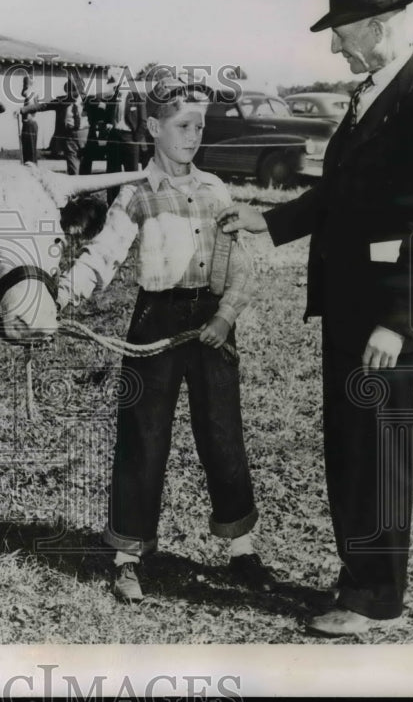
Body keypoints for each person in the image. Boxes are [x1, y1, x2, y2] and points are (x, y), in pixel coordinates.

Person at [217, 0, 413, 636]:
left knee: (377, 455)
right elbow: (334, 198)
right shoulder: (374, 95)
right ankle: (363, 575)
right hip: (352, 313)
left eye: (342, 32)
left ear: (379, 25)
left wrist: (397, 320)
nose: (334, 48)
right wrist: (265, 223)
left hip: (383, 321)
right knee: (353, 450)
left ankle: (376, 599)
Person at [58, 79, 275, 603]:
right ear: (154, 128)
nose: (193, 134)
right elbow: (103, 255)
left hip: (212, 324)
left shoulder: (216, 190)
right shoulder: (136, 194)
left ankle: (241, 548)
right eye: (182, 125)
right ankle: (128, 555)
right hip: (155, 321)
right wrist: (62, 294)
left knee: (222, 433)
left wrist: (224, 318)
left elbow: (240, 266)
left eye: (199, 125)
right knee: (143, 435)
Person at [21, 75, 90, 175]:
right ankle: (74, 186)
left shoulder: (89, 101)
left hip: (85, 135)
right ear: (67, 91)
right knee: (73, 167)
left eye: (77, 90)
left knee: (85, 166)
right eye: (72, 90)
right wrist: (23, 110)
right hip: (69, 136)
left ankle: (86, 188)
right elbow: (44, 106)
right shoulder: (62, 101)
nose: (75, 93)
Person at [18, 75, 40, 163]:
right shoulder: (34, 93)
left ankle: (31, 167)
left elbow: (33, 108)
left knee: (29, 149)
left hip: (29, 123)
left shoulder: (29, 93)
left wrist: (25, 116)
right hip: (30, 123)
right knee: (30, 149)